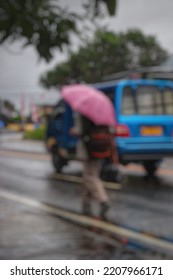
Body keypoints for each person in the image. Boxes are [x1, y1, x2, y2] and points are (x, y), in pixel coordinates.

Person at [71, 113, 117, 220]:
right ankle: (86, 203)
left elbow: (81, 131)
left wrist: (74, 131)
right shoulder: (102, 115)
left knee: (90, 177)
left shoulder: (84, 115)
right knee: (90, 175)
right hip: (101, 147)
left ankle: (103, 200)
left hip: (88, 149)